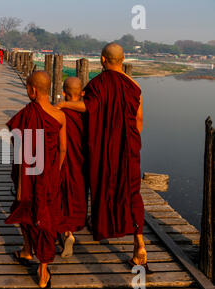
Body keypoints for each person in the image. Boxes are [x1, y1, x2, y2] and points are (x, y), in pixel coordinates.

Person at [55, 43, 150, 272]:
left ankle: (96, 224)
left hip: (103, 148)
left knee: (102, 186)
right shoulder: (134, 85)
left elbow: (88, 107)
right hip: (128, 148)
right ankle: (139, 244)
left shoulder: (96, 84)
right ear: (124, 58)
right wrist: (132, 141)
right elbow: (138, 120)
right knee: (131, 192)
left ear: (102, 60)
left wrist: (63, 103)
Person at [6, 71, 67, 288]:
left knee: (25, 208)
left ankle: (26, 249)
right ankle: (43, 269)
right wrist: (55, 172)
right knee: (46, 215)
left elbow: (17, 146)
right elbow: (62, 149)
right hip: (49, 175)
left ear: (32, 90)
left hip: (28, 173)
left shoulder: (24, 114)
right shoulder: (59, 116)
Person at [58, 77, 89, 258]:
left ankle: (67, 232)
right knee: (78, 194)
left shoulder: (59, 112)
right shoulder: (87, 113)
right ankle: (73, 229)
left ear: (63, 93)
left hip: (64, 161)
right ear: (83, 93)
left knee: (63, 194)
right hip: (82, 162)